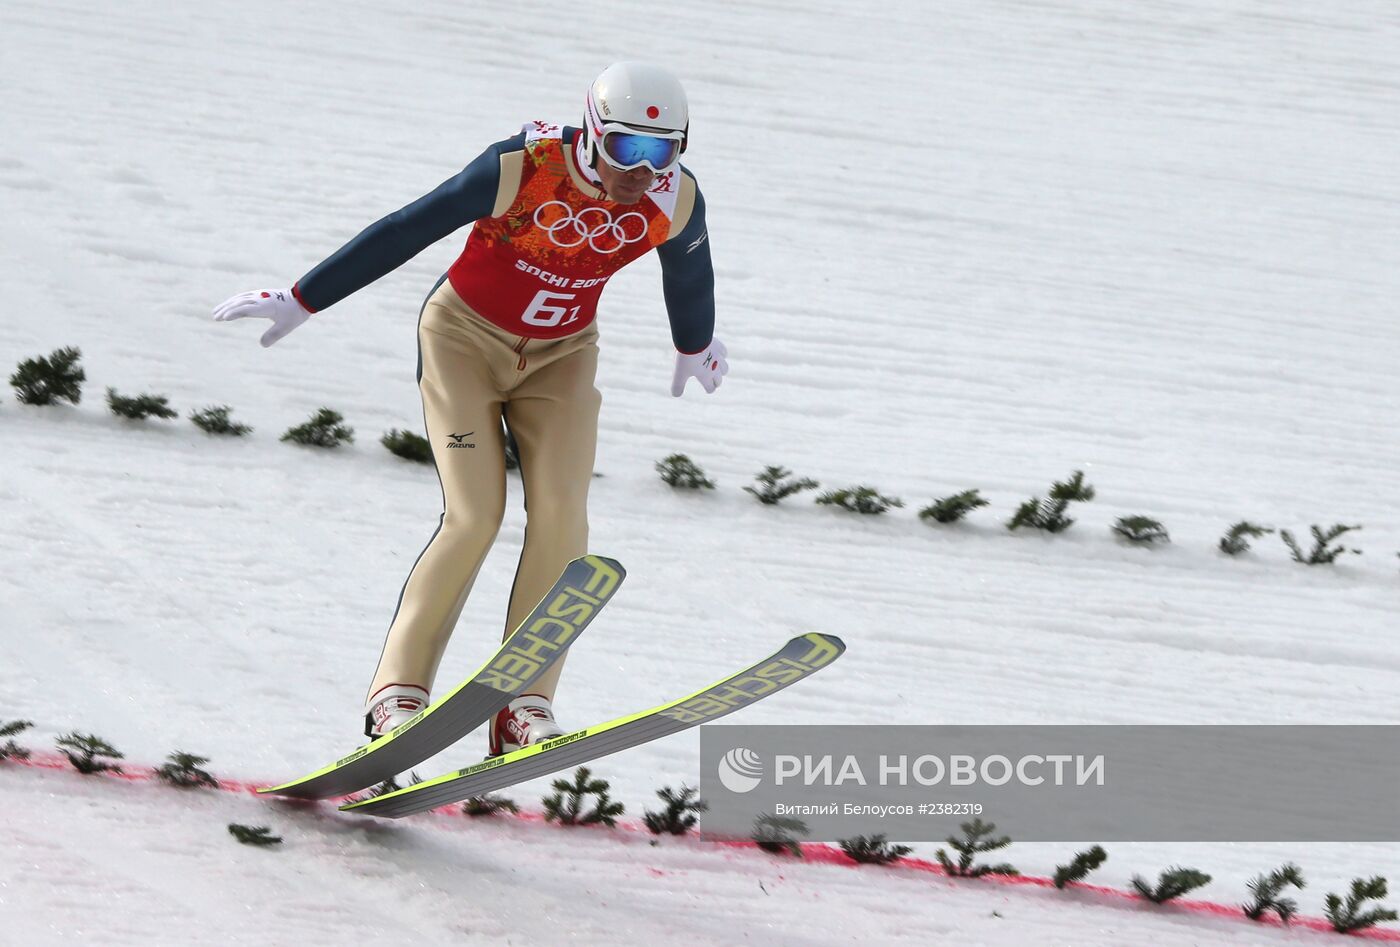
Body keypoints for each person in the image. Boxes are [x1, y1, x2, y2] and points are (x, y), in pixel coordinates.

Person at [212, 62, 727, 756]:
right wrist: (303, 297)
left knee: (562, 519)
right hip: (463, 341)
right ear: (593, 132)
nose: (642, 170)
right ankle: (398, 695)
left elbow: (690, 268)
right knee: (475, 513)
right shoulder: (521, 167)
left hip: (563, 356)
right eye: (627, 150)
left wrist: (693, 343)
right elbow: (407, 228)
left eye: (661, 152)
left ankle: (525, 704)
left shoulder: (675, 199)